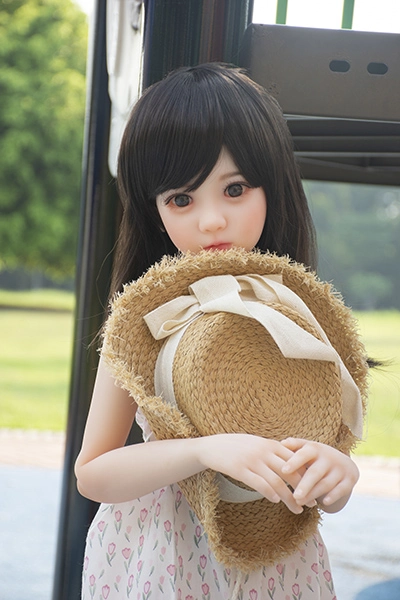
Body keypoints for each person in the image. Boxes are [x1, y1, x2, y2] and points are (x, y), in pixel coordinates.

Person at [75, 63, 361, 599]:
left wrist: (338, 474)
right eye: (181, 199)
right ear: (155, 211)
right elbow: (93, 472)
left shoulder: (297, 312)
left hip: (273, 561)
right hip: (165, 554)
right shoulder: (146, 319)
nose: (211, 221)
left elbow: (321, 474)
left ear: (272, 186)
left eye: (235, 189)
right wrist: (204, 451)